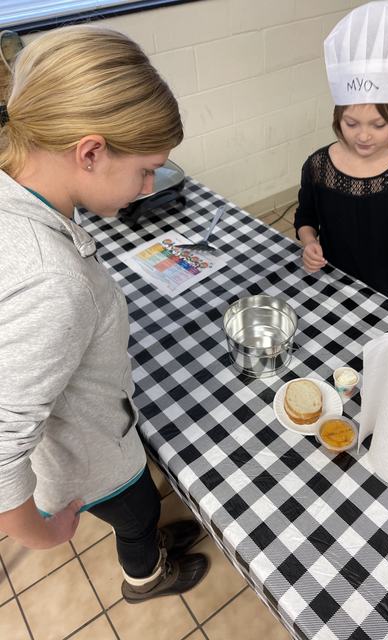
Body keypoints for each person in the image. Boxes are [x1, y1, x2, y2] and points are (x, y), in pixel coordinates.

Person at [0, 25, 208, 604]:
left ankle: (146, 539)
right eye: (147, 171)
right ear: (89, 151)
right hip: (90, 459)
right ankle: (147, 577)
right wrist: (42, 534)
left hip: (80, 427)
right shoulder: (53, 282)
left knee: (138, 510)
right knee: (137, 509)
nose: (148, 187)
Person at [294, 1, 388, 305]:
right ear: (338, 118)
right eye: (351, 123)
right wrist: (308, 243)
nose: (363, 135)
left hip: (385, 290)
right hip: (328, 282)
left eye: (379, 124)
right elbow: (305, 217)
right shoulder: (318, 166)